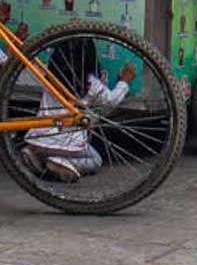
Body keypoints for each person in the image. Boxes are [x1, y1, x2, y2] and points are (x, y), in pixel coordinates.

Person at [21, 37, 135, 182]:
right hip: (69, 147)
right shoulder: (91, 85)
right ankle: (64, 163)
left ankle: (36, 155)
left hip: (37, 139)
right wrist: (124, 81)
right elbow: (111, 100)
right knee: (96, 160)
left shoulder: (48, 79)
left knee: (43, 147)